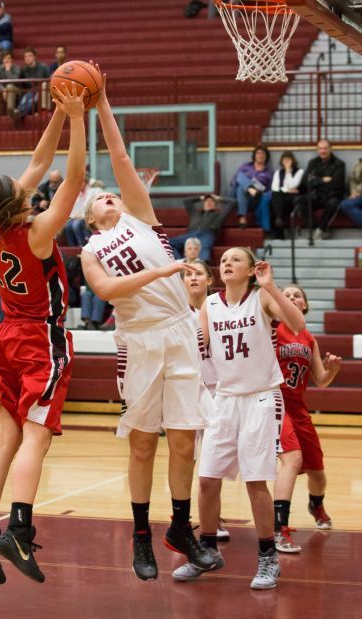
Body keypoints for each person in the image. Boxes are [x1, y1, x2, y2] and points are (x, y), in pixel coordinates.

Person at [82, 66, 215, 582]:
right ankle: (141, 535)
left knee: (184, 439)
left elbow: (118, 156)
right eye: (100, 198)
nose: (109, 196)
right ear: (91, 217)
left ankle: (180, 528)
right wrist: (166, 269)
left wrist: (104, 102)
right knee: (143, 442)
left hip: (179, 329)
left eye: (111, 193)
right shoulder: (91, 250)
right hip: (139, 341)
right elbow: (109, 292)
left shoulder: (141, 216)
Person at [0, 84, 86, 585]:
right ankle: (18, 528)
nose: (25, 183)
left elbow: (39, 159)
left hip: (4, 337)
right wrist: (79, 118)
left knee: (5, 438)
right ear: (14, 202)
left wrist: (57, 112)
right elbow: (73, 178)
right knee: (36, 437)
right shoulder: (35, 232)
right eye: (19, 187)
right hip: (39, 340)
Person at [185, 248, 305, 589]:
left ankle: (268, 557)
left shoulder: (261, 299)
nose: (227, 263)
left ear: (252, 269)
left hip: (261, 397)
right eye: (223, 260)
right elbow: (197, 345)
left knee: (255, 481)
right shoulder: (210, 304)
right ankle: (206, 551)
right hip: (223, 399)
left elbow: (298, 325)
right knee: (207, 479)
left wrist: (271, 287)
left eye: (236, 260)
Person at [273, 285, 341, 553]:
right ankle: (280, 528)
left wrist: (332, 370)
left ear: (304, 306)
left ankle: (316, 504)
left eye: (296, 295)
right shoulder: (271, 328)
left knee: (318, 473)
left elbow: (321, 380)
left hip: (299, 408)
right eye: (285, 295)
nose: (290, 298)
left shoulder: (309, 338)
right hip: (275, 405)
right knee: (292, 460)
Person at [178, 259, 231, 544]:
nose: (193, 278)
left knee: (214, 460)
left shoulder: (220, 309)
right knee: (186, 459)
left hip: (219, 391)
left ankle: (212, 517)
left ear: (210, 280)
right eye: (188, 275)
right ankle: (182, 520)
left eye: (199, 273)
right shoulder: (174, 312)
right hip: (187, 390)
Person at [294, 139, 345, 240]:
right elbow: (306, 182)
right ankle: (317, 228)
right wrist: (322, 180)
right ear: (317, 150)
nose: (323, 151)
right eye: (320, 148)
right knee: (298, 200)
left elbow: (336, 184)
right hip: (316, 195)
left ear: (331, 149)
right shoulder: (312, 163)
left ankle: (321, 229)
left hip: (332, 195)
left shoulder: (339, 164)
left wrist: (315, 181)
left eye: (325, 148)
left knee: (333, 203)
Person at [169, 194, 234, 262]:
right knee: (168, 243)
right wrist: (200, 198)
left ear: (215, 205)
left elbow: (232, 202)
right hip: (190, 234)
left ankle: (202, 264)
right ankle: (180, 262)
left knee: (204, 250)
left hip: (207, 234)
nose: (209, 202)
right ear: (203, 204)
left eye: (212, 201)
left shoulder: (219, 215)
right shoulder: (195, 213)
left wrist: (219, 198)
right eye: (206, 201)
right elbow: (186, 201)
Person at [229, 144, 273, 230]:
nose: (260, 155)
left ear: (266, 157)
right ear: (254, 155)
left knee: (240, 188)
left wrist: (256, 186)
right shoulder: (246, 166)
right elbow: (233, 181)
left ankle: (242, 218)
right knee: (240, 179)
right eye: (258, 153)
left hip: (254, 199)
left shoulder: (269, 172)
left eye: (263, 154)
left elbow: (269, 191)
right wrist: (249, 185)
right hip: (236, 198)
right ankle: (249, 188)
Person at [12, 48, 50, 127]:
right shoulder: (23, 70)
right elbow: (20, 84)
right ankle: (18, 112)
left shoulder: (43, 67)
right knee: (27, 97)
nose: (27, 58)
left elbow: (49, 81)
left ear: (34, 57)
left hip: (41, 92)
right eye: (25, 56)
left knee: (32, 99)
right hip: (29, 92)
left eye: (29, 56)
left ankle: (19, 114)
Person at [270, 151, 304, 240]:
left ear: (293, 160)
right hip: (281, 199)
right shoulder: (278, 172)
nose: (286, 162)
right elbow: (274, 188)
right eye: (284, 160)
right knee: (275, 197)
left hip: (293, 200)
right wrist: (286, 190)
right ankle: (279, 220)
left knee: (276, 202)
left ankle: (279, 230)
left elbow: (294, 184)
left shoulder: (299, 171)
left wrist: (288, 172)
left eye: (288, 160)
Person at [63, 174, 104, 246]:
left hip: (91, 216)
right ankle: (73, 249)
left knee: (76, 225)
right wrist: (73, 216)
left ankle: (82, 246)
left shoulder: (94, 190)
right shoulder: (77, 192)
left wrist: (81, 216)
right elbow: (74, 208)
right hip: (78, 217)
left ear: (84, 182)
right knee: (67, 227)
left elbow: (94, 206)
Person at [0, 52, 22, 118]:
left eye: (8, 58)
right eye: (5, 58)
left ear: (12, 60)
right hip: (3, 91)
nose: (7, 60)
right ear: (2, 60)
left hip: (16, 91)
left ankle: (10, 111)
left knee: (9, 87)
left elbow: (14, 81)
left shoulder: (17, 68)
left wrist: (8, 70)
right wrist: (3, 89)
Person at [339, 156, 362, 229]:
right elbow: (352, 179)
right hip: (359, 194)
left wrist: (358, 190)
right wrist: (353, 192)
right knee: (345, 204)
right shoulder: (359, 163)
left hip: (360, 192)